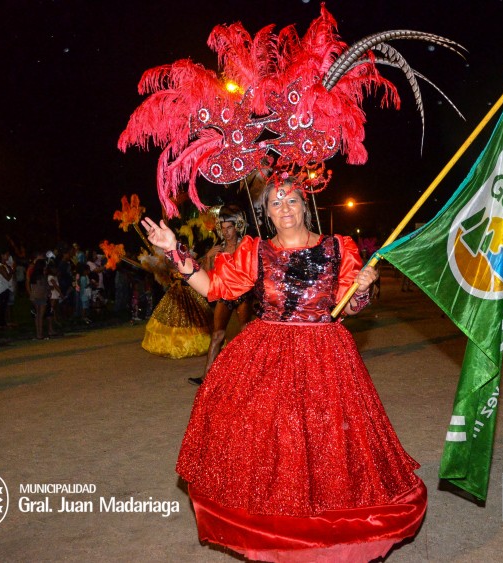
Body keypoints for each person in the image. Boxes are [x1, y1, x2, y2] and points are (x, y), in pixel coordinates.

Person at [141, 176, 425, 562]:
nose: (285, 208)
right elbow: (214, 288)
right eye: (276, 203)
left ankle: (334, 532)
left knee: (330, 445)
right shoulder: (253, 252)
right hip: (267, 355)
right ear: (266, 214)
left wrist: (361, 288)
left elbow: (351, 307)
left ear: (305, 206)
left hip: (327, 356)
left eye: (292, 199)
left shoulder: (338, 247)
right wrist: (175, 250)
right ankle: (278, 533)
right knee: (273, 445)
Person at [189, 205, 254, 384]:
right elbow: (209, 275)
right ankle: (206, 377)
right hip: (225, 295)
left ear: (237, 227)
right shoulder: (218, 249)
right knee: (217, 335)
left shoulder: (245, 244)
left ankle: (249, 376)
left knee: (245, 334)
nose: (226, 232)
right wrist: (209, 257)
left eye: (229, 228)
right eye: (223, 229)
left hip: (243, 295)